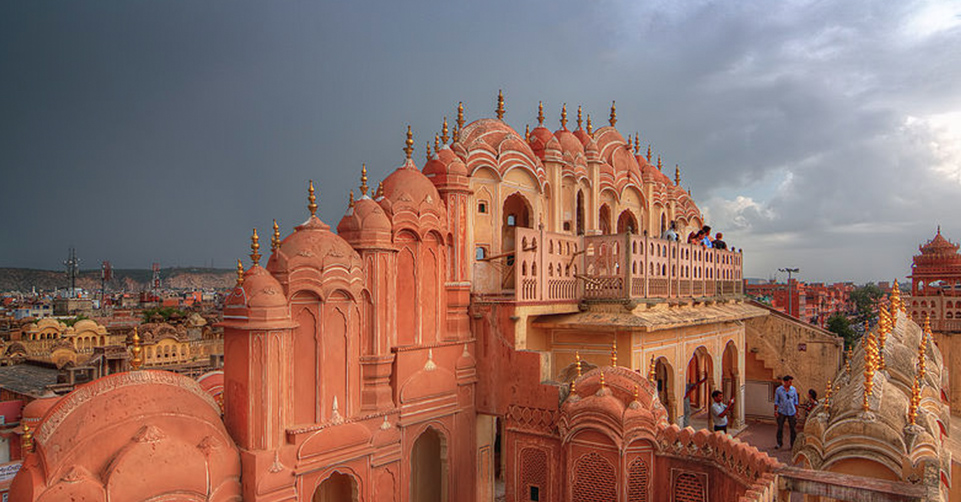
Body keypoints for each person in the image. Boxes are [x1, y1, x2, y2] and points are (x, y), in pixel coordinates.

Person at [774, 375, 799, 449]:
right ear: (785, 382)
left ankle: (793, 444)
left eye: (791, 382)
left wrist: (797, 412)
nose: (790, 383)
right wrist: (776, 411)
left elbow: (796, 401)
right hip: (782, 411)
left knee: (793, 429)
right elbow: (776, 401)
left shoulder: (793, 390)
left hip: (791, 411)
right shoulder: (779, 390)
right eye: (789, 382)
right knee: (780, 428)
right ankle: (779, 443)